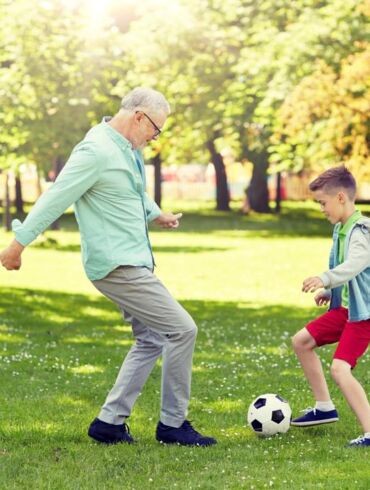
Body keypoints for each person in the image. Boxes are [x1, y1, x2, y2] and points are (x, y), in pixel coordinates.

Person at [0, 87, 216, 447]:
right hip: (118, 265)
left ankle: (109, 423)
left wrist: (155, 213)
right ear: (138, 117)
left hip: (132, 261)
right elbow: (56, 197)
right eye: (155, 129)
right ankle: (172, 425)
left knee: (150, 338)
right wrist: (17, 244)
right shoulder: (95, 150)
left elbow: (131, 191)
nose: (154, 138)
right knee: (182, 330)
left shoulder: (124, 150)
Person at [291, 166, 370, 447]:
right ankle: (324, 407)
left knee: (340, 369)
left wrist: (323, 278)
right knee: (301, 341)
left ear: (340, 197)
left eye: (322, 203)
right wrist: (330, 290)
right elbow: (348, 273)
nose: (321, 209)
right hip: (346, 310)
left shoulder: (360, 231)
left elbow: (354, 265)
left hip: (363, 316)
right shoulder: (341, 228)